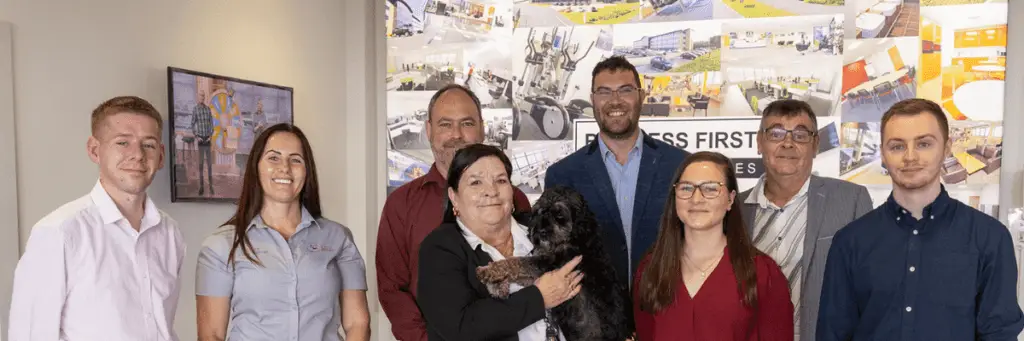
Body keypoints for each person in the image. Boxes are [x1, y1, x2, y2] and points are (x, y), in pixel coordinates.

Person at [817, 98, 1024, 340]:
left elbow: (998, 333)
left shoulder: (989, 237)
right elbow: (832, 334)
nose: (910, 157)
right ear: (883, 154)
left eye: (924, 144)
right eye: (897, 146)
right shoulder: (850, 241)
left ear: (946, 148)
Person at [7, 96, 186, 341]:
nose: (137, 155)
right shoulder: (60, 232)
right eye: (123, 142)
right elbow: (29, 335)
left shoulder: (170, 233)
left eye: (149, 144)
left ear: (162, 155)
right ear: (94, 150)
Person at [376, 84, 532, 341]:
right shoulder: (401, 205)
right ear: (429, 130)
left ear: (482, 128)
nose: (456, 134)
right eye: (445, 124)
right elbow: (392, 288)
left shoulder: (512, 198)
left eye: (467, 123)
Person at [195, 123, 370, 341]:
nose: (285, 168)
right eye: (274, 158)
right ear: (256, 167)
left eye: (296, 159)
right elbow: (211, 334)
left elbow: (357, 323)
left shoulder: (338, 238)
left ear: (307, 171)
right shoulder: (221, 246)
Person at [545, 56, 690, 293]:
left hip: (667, 312)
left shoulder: (680, 165)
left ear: (641, 96)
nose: (615, 101)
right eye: (604, 92)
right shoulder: (562, 175)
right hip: (596, 322)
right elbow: (556, 256)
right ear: (592, 100)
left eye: (625, 90)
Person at [416, 143, 581, 341]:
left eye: (501, 180)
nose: (491, 191)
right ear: (454, 197)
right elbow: (461, 326)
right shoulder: (439, 248)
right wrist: (539, 298)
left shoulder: (542, 229)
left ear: (512, 191)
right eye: (476, 183)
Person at [738, 99, 873, 341]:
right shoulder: (732, 210)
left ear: (816, 145)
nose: (788, 143)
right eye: (776, 133)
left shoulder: (851, 200)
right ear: (759, 142)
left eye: (800, 135)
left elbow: (870, 291)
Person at [633, 151, 793, 341]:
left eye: (710, 189)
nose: (696, 199)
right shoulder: (650, 269)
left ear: (730, 199)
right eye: (686, 188)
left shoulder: (763, 274)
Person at [191, 91, 215, 196]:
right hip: (201, 140)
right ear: (198, 97)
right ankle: (201, 187)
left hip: (208, 139)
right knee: (201, 164)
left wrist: (210, 136)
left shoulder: (208, 109)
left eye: (203, 96)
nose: (202, 97)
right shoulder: (195, 109)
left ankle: (211, 187)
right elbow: (192, 124)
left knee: (209, 165)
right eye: (200, 95)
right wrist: (197, 136)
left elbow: (212, 124)